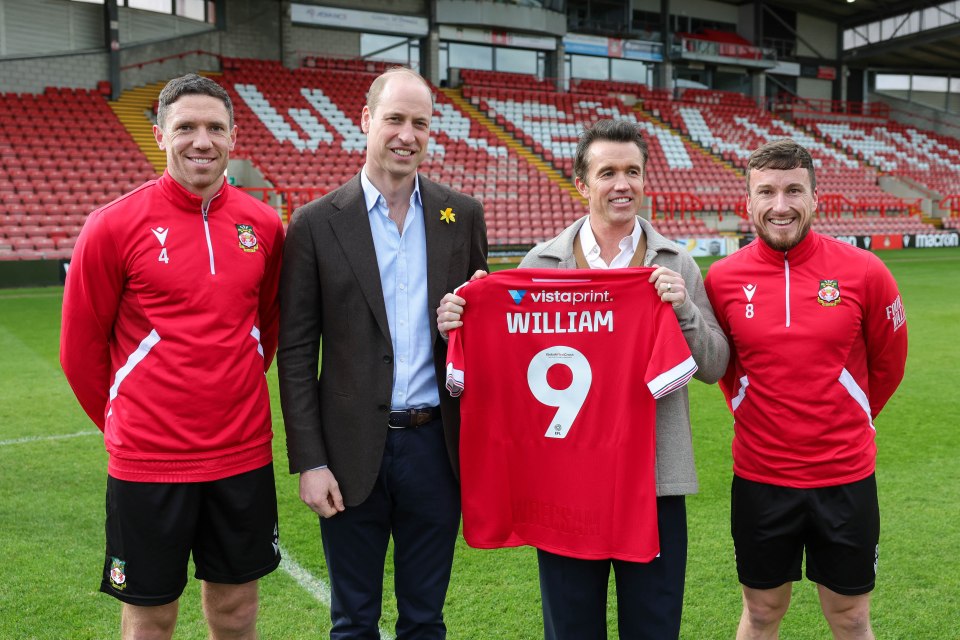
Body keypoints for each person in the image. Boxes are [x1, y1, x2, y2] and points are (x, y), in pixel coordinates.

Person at [437, 118, 729, 639]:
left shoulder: (675, 262)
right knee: (571, 629)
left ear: (644, 181)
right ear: (581, 183)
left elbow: (714, 367)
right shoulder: (540, 264)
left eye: (633, 172)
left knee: (654, 627)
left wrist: (681, 310)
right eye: (608, 172)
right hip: (565, 483)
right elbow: (503, 368)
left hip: (654, 482)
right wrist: (464, 321)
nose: (622, 184)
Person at [60, 73, 284, 640]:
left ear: (235, 137)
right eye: (186, 127)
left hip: (242, 455)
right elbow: (80, 349)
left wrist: (226, 396)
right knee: (151, 615)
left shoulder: (262, 224)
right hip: (148, 460)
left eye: (214, 128)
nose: (200, 141)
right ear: (160, 134)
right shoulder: (112, 226)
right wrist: (128, 422)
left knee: (236, 611)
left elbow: (267, 328)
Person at [277, 67, 487, 639]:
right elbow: (296, 353)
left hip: (435, 451)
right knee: (352, 622)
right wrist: (310, 461)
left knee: (424, 620)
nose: (407, 134)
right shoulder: (316, 224)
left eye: (420, 123)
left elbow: (481, 337)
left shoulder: (460, 215)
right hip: (347, 455)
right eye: (395, 118)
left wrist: (464, 324)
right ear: (367, 120)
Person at [704, 139, 908, 640]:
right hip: (760, 476)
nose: (780, 205)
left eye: (794, 190)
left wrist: (849, 412)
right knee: (762, 612)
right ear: (747, 202)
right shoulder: (723, 279)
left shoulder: (865, 270)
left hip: (845, 476)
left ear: (816, 198)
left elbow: (889, 363)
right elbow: (724, 367)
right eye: (767, 192)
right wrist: (752, 405)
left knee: (851, 616)